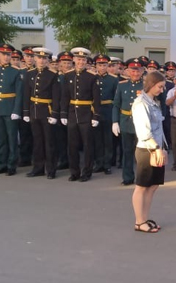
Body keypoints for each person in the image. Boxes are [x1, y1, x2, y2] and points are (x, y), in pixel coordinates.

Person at [131, 71, 168, 233]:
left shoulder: (153, 102)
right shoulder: (141, 104)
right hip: (147, 150)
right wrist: (156, 149)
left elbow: (159, 128)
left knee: (153, 186)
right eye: (160, 86)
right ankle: (139, 222)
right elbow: (143, 132)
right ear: (151, 85)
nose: (162, 89)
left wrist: (162, 148)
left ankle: (144, 218)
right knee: (142, 186)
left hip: (157, 148)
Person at [60, 47, 100, 182]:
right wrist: (64, 114)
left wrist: (95, 116)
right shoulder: (68, 75)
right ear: (74, 60)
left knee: (88, 145)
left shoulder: (92, 77)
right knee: (72, 145)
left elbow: (96, 98)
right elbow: (65, 97)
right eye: (78, 59)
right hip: (72, 114)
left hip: (86, 114)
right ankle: (74, 171)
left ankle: (87, 172)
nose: (81, 62)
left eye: (83, 60)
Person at [0, 43, 23, 176]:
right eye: (3, 54)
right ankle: (2, 163)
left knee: (12, 138)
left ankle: (11, 165)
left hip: (10, 108)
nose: (6, 57)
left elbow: (19, 93)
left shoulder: (15, 72)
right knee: (0, 137)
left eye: (8, 55)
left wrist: (16, 111)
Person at [22, 47, 61, 179]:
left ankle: (51, 169)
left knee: (49, 142)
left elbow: (56, 96)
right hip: (34, 111)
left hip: (47, 111)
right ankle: (38, 168)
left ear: (48, 60)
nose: (41, 60)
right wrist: (26, 112)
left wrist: (55, 114)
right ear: (35, 58)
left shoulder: (53, 75)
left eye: (44, 58)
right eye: (39, 58)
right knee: (37, 141)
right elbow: (27, 94)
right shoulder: (30, 73)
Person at [112, 58, 145, 186]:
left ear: (142, 71)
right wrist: (115, 121)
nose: (135, 74)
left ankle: (142, 177)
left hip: (142, 123)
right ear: (128, 71)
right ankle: (127, 177)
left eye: (138, 71)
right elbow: (116, 104)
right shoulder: (122, 85)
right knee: (127, 151)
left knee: (142, 153)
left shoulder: (146, 85)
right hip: (125, 122)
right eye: (133, 70)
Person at [93, 53, 119, 175]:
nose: (102, 67)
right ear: (96, 65)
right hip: (95, 111)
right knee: (97, 139)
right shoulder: (92, 78)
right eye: (99, 64)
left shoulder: (113, 79)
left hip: (108, 110)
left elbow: (116, 99)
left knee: (108, 140)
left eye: (104, 64)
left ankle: (107, 164)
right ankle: (98, 163)